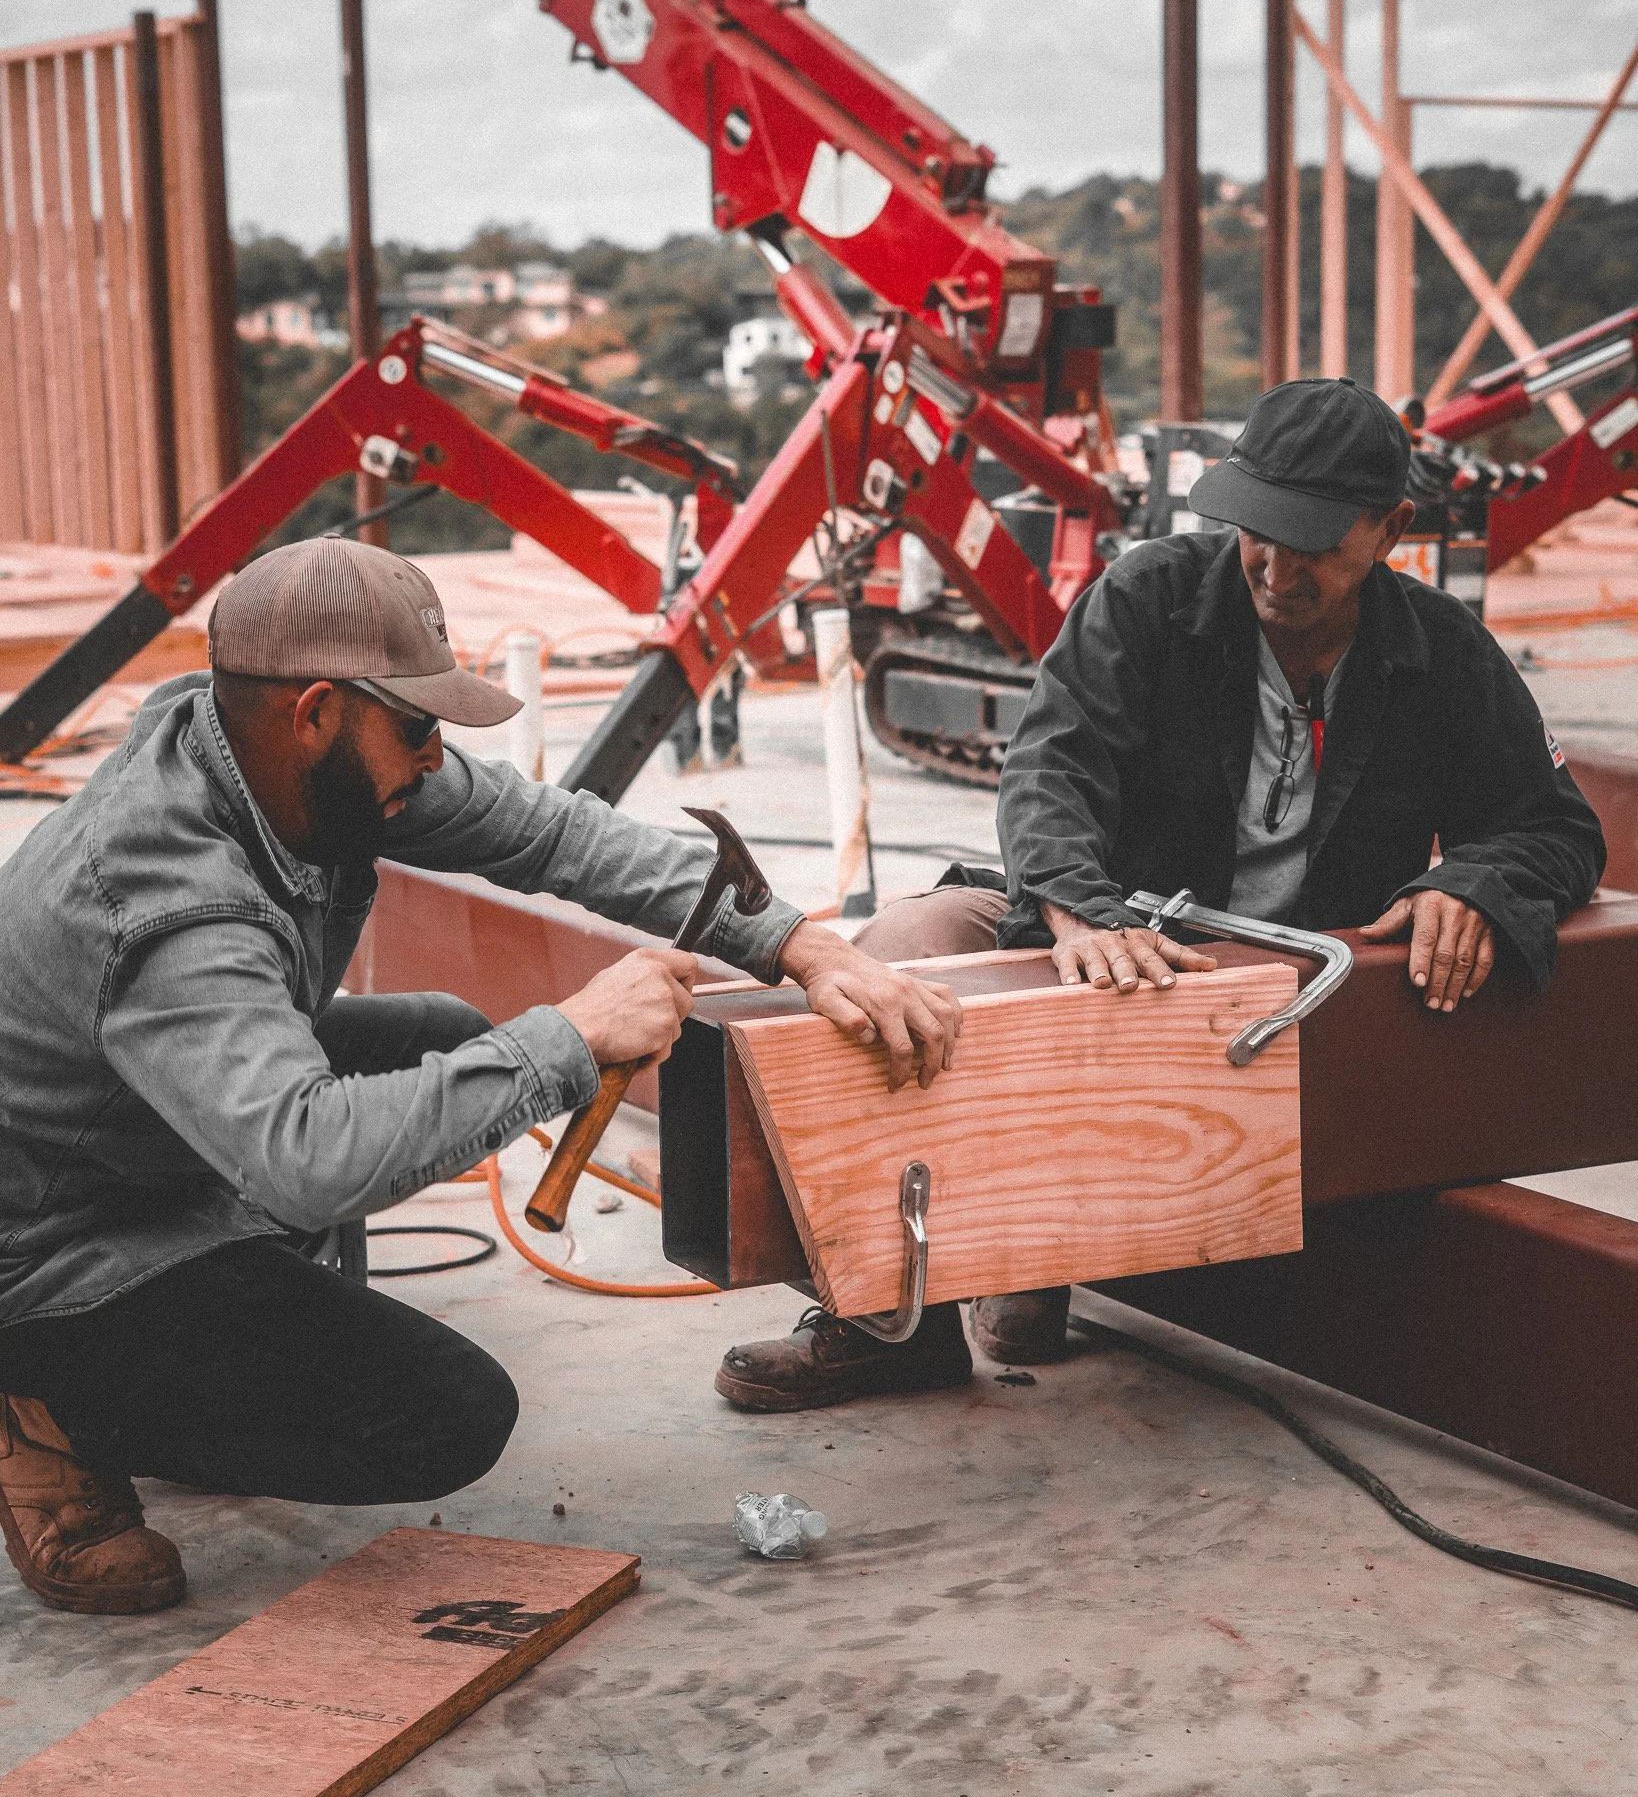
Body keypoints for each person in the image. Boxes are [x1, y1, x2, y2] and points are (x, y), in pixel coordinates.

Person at [0, 538, 961, 1614]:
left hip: (145, 1139)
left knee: (444, 1038)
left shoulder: (265, 750)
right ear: (315, 710)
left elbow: (551, 833)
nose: (434, 754)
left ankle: (191, 1347)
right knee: (437, 1411)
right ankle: (47, 1399)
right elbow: (309, 1161)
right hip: (49, 1238)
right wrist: (570, 1037)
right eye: (416, 726)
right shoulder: (170, 897)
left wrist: (797, 944)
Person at [714, 376, 1605, 1414]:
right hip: (1111, 948)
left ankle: (1041, 1248)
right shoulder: (1146, 598)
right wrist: (1082, 908)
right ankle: (892, 1323)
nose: (1273, 568)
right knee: (904, 943)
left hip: (1283, 1007)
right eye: (1255, 532)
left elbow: (1557, 825)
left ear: (1392, 528)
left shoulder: (1440, 653)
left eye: (1311, 541)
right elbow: (1050, 768)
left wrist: (1477, 882)